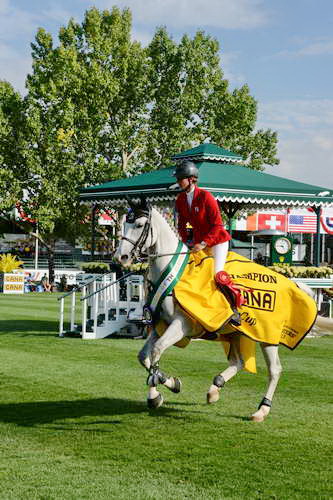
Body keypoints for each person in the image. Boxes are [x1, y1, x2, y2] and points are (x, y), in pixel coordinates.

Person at [174, 160, 244, 322]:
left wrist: (204, 243)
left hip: (217, 241)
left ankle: (233, 310)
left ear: (191, 179)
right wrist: (186, 242)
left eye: (180, 179)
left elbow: (218, 225)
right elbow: (182, 225)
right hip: (198, 244)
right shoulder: (180, 200)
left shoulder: (206, 197)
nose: (178, 182)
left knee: (216, 274)